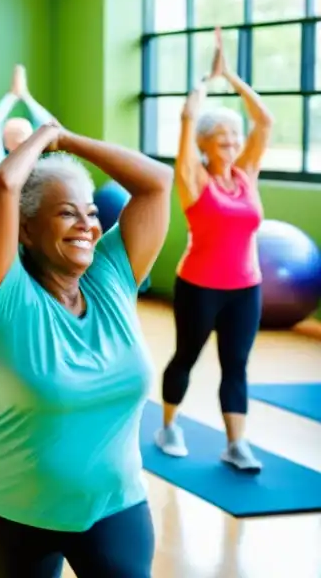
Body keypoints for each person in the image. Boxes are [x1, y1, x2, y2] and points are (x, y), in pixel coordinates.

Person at [0, 117, 173, 577]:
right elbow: (4, 183)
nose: (86, 225)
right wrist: (46, 136)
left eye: (91, 212)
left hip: (116, 504)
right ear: (25, 230)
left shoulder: (113, 277)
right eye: (66, 213)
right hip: (17, 509)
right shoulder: (7, 297)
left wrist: (70, 140)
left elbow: (158, 183)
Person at [155, 28, 273, 473]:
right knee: (186, 356)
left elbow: (265, 122)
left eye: (234, 136)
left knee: (236, 366)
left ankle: (236, 443)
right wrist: (204, 83)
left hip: (247, 288)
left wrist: (234, 77)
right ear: (203, 143)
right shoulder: (193, 179)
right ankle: (168, 425)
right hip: (200, 286)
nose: (232, 142)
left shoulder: (245, 175)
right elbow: (188, 119)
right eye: (221, 136)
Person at [0, 64, 54, 183]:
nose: (21, 142)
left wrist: (25, 96)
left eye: (24, 136)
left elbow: (51, 126)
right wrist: (13, 95)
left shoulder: (41, 167)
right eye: (15, 135)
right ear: (5, 144)